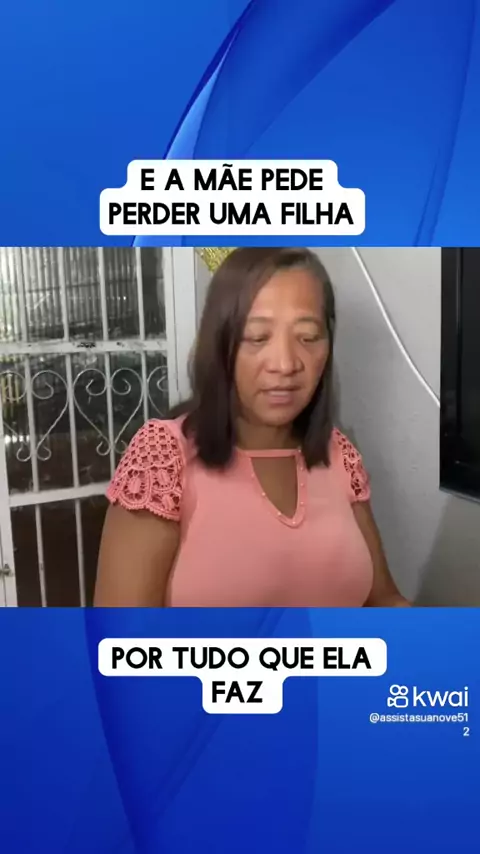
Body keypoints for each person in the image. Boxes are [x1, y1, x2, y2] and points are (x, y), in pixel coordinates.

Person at [95, 247, 410, 608]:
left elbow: (384, 599)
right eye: (257, 337)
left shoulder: (338, 453)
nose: (285, 364)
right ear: (220, 344)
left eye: (308, 337)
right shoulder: (163, 456)